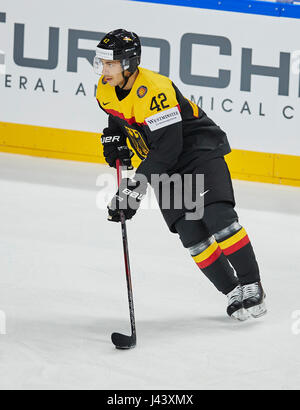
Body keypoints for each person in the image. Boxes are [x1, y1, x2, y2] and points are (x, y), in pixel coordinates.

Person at [94, 29, 267, 321]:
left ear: (128, 63)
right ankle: (232, 291)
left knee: (218, 220)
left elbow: (169, 147)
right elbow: (118, 116)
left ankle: (252, 284)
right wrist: (112, 138)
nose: (104, 70)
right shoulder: (105, 88)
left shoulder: (156, 88)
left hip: (197, 153)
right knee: (193, 236)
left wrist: (133, 191)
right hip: (164, 164)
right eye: (102, 63)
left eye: (110, 64)